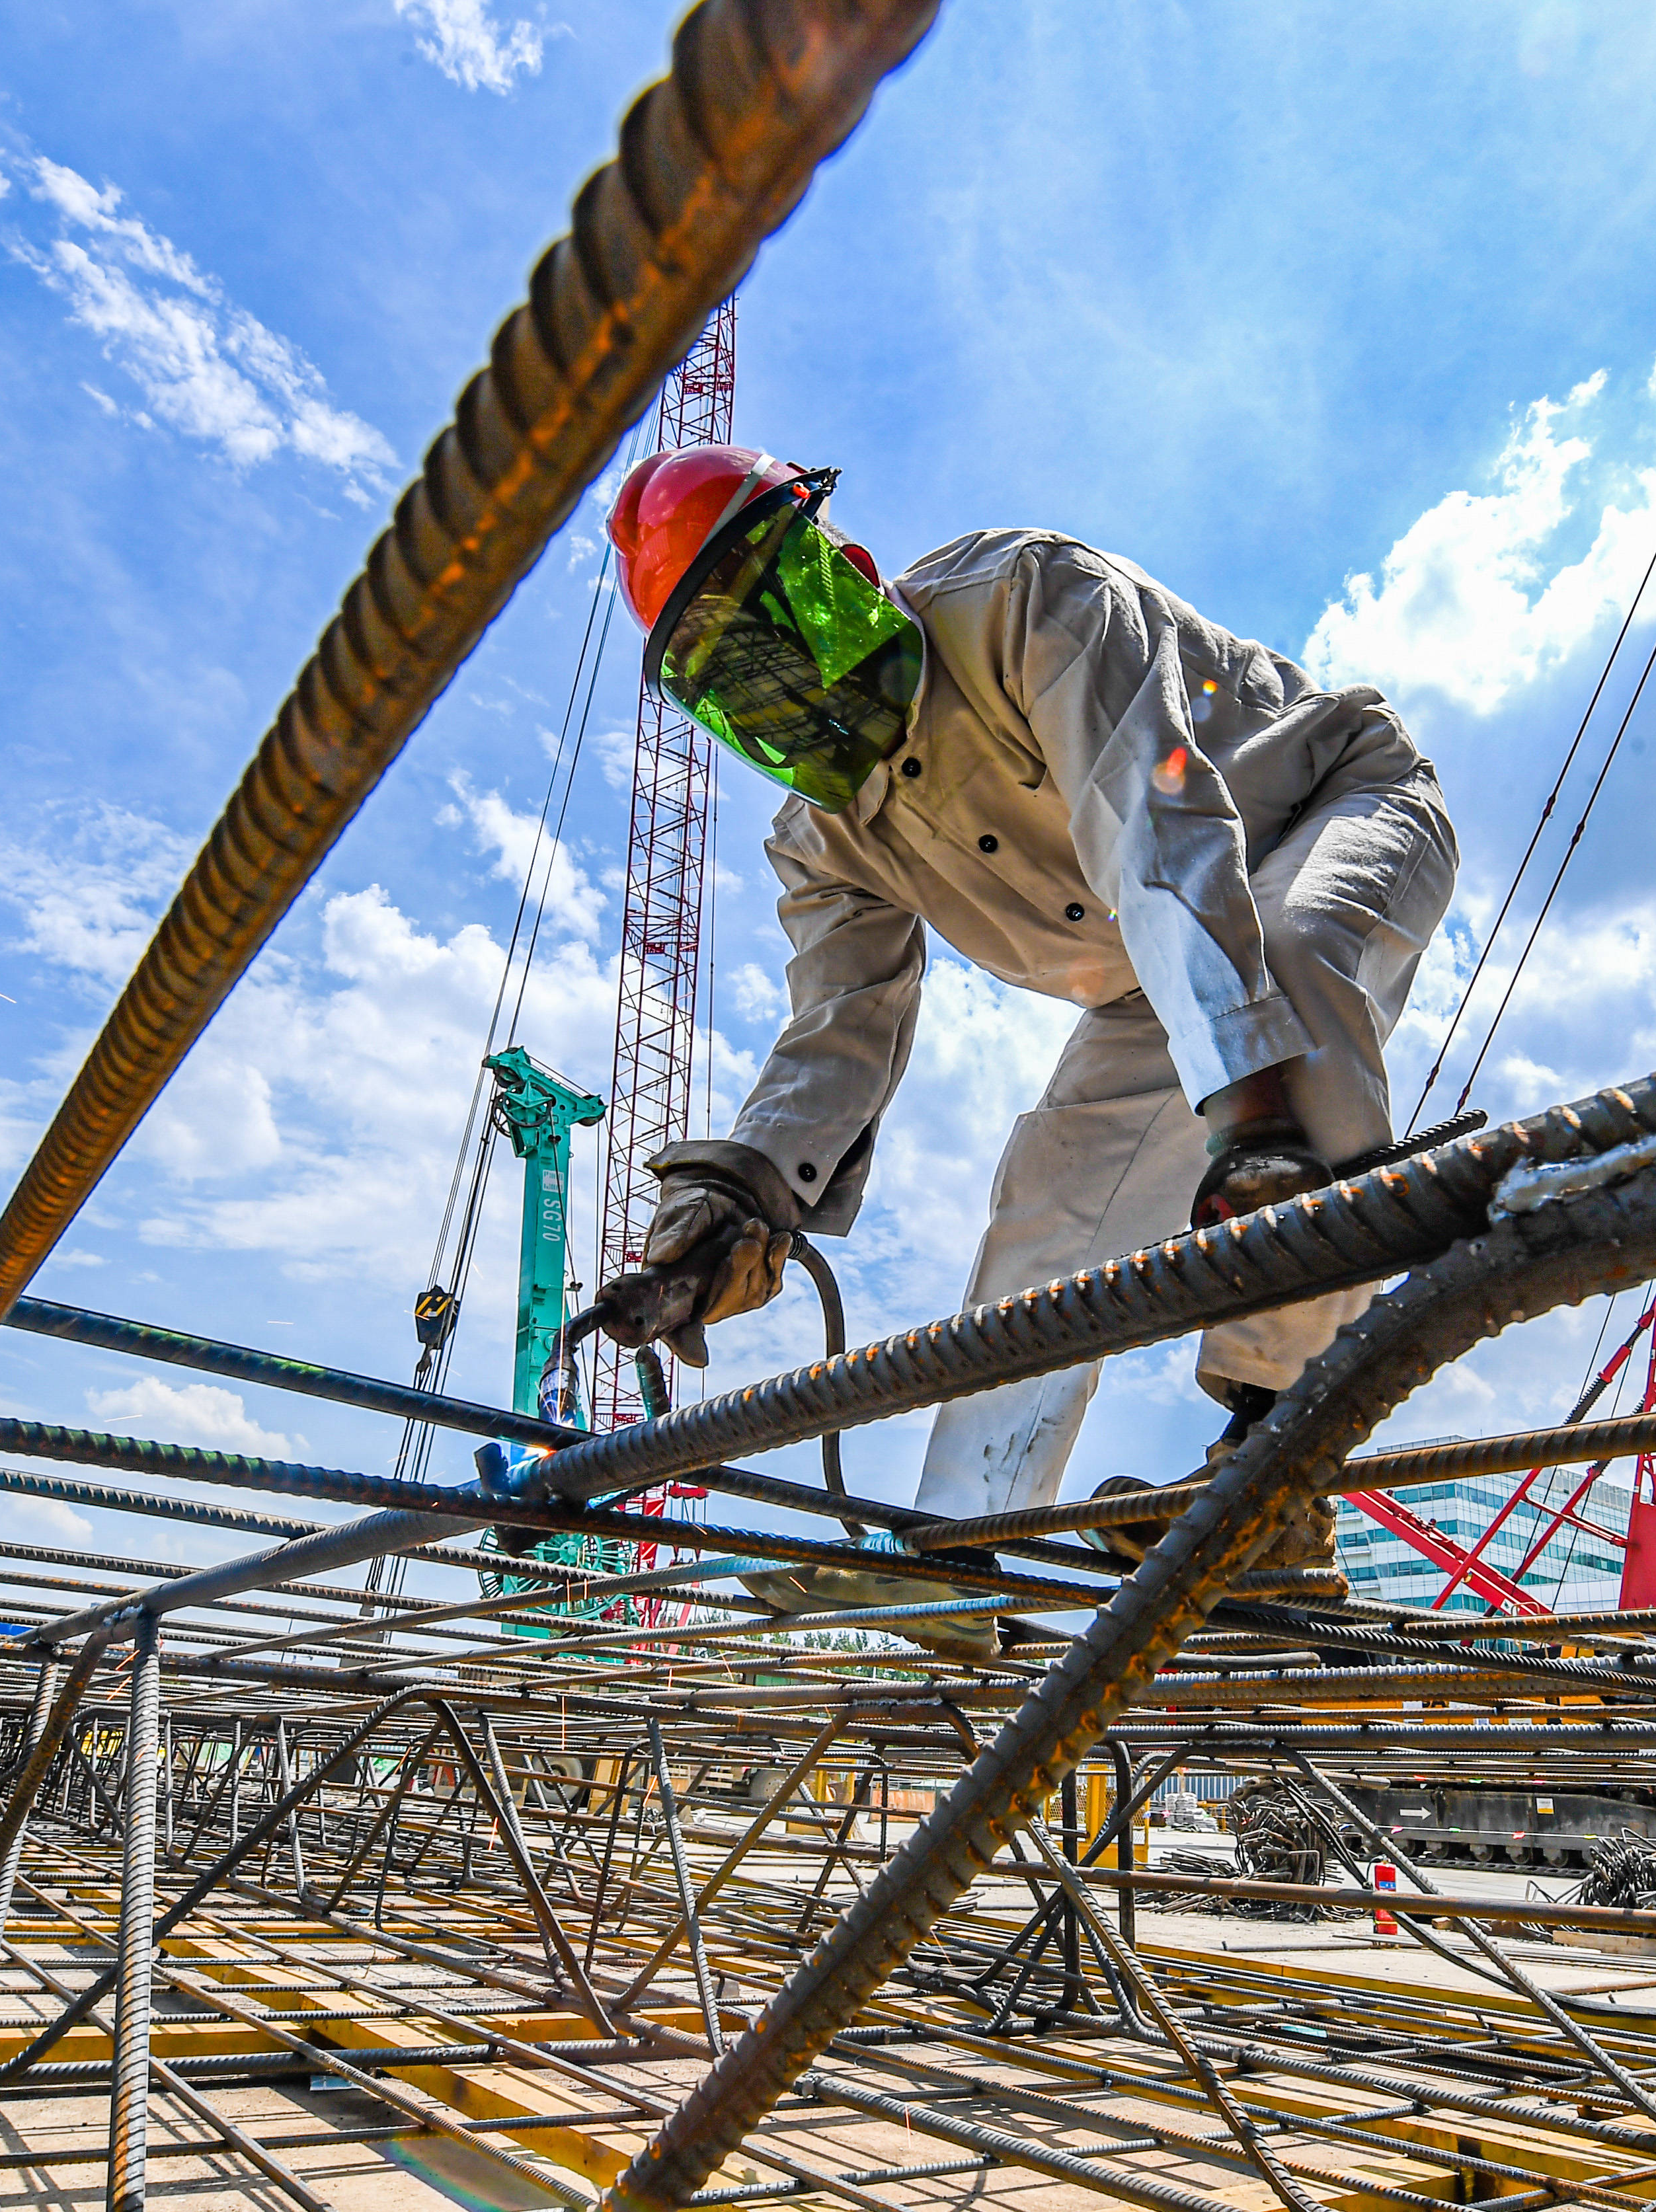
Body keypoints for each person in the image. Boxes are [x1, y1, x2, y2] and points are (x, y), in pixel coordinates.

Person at [583, 447, 1458, 1654]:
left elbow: (1157, 822)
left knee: (1298, 965)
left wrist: (1253, 1130)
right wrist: (742, 1194)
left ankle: (1273, 1481)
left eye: (773, 634)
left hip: (1324, 812)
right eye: (740, 679)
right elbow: (841, 1021)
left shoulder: (1028, 604)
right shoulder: (824, 834)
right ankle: (953, 1556)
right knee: (1047, 1195)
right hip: (1163, 970)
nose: (783, 689)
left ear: (844, 570)